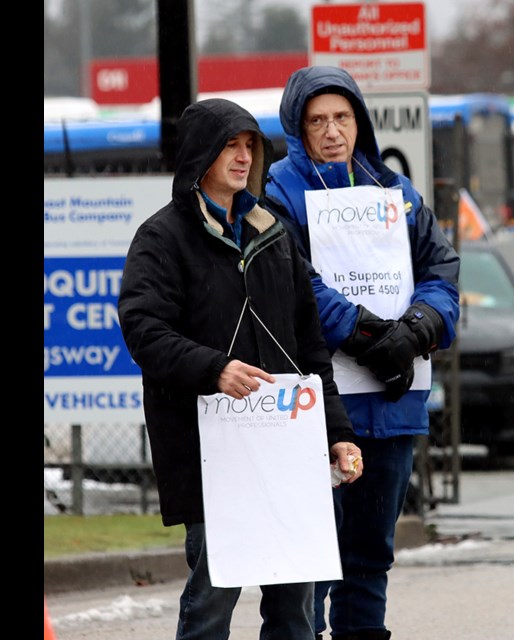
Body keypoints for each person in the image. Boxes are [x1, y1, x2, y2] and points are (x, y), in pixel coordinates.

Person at [117, 97, 364, 640]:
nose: (241, 155)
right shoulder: (161, 238)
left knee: (296, 610)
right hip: (211, 456)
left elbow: (312, 348)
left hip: (287, 453)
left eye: (249, 145)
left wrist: (338, 433)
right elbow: (144, 331)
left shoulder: (274, 232)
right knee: (211, 603)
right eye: (229, 144)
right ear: (199, 154)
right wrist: (216, 370)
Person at [263, 66, 461, 640]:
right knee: (313, 563)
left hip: (394, 408)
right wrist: (373, 335)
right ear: (298, 128)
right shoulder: (276, 197)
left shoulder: (397, 195)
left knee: (371, 558)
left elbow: (442, 274)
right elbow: (295, 284)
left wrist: (416, 329)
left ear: (359, 122)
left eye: (342, 117)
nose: (331, 131)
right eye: (317, 120)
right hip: (321, 411)